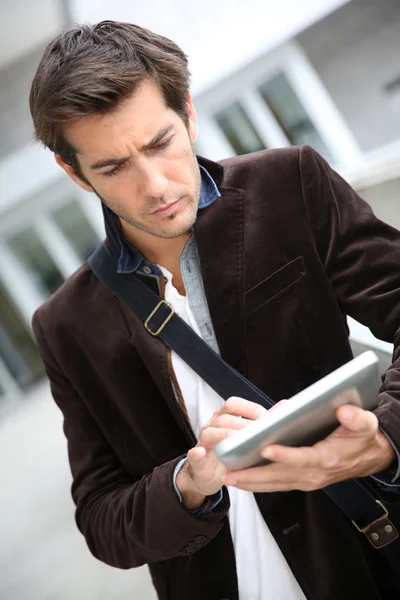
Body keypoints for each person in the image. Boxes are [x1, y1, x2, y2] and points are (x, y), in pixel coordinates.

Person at [29, 20, 400, 600]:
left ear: (189, 115)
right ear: (74, 173)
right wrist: (187, 483)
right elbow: (103, 522)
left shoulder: (290, 186)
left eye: (160, 143)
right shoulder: (64, 325)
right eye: (113, 167)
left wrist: (385, 439)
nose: (154, 185)